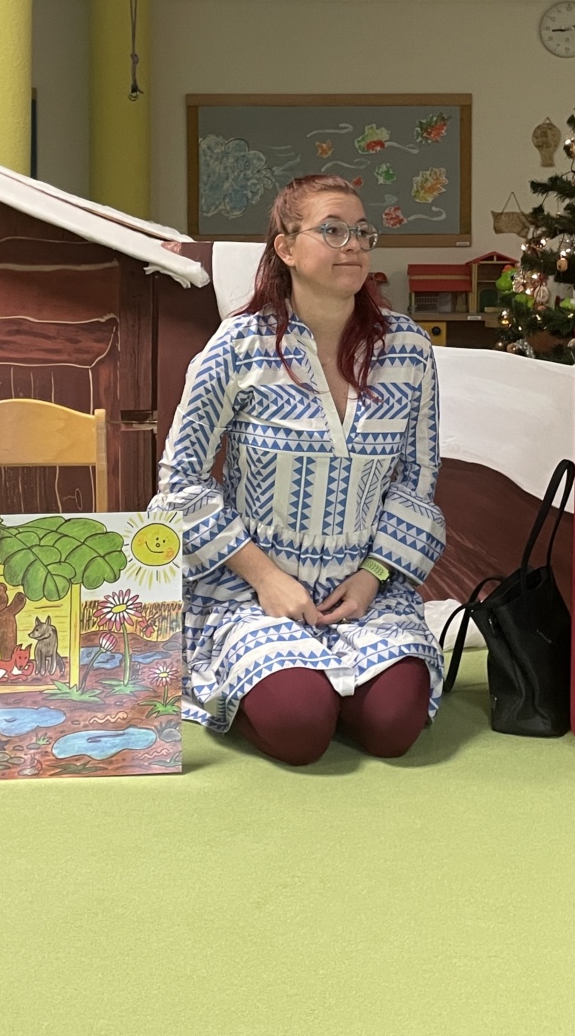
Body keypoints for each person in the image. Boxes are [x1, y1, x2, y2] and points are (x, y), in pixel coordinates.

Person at [150, 173, 446, 766]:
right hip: (251, 590)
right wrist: (265, 578)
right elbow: (180, 481)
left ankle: (333, 683)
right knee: (300, 730)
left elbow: (417, 481)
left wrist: (372, 577)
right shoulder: (237, 346)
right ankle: (284, 688)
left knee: (394, 729)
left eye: (362, 232)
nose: (353, 245)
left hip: (363, 591)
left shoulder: (409, 350)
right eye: (332, 230)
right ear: (285, 248)